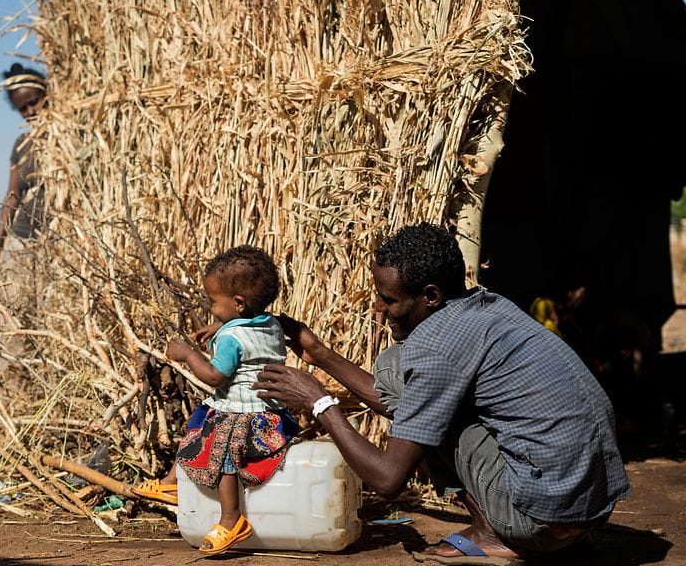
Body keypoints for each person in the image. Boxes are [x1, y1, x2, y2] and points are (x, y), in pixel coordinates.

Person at [254, 222, 630, 565]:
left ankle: (492, 534)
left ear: (431, 296)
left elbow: (388, 480)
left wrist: (320, 403)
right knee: (414, 389)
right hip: (591, 510)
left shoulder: (434, 349)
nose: (380, 310)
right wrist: (318, 353)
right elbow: (412, 402)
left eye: (388, 299)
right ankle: (563, 535)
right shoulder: (492, 306)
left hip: (539, 524)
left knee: (396, 369)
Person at [150, 245, 299, 556]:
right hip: (270, 415)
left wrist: (188, 354)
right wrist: (222, 324)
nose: (212, 309)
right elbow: (250, 329)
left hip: (247, 420)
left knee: (223, 449)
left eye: (214, 304)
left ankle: (232, 519)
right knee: (202, 421)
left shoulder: (232, 339)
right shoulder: (270, 323)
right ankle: (172, 481)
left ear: (238, 303)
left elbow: (216, 377)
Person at [0, 63, 49, 270]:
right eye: (22, 108)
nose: (30, 111)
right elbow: (12, 194)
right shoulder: (22, 143)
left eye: (34, 102)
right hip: (21, 238)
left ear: (46, 94)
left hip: (59, 241)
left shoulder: (67, 137)